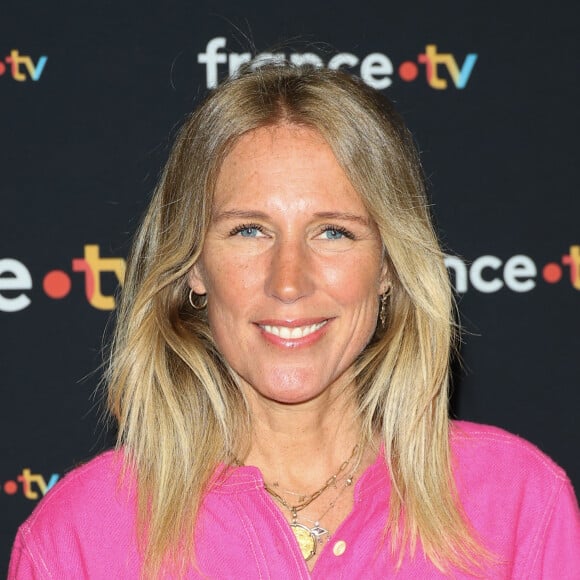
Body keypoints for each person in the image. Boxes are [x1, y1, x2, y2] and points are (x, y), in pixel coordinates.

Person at [8, 62, 580, 579]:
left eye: (334, 231)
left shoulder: (517, 504)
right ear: (193, 267)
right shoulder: (79, 536)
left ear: (388, 267)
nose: (289, 281)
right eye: (248, 230)